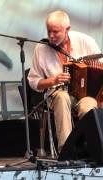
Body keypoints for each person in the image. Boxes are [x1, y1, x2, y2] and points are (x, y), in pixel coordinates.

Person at [28, 10, 99, 152]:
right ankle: (66, 150)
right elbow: (34, 82)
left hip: (84, 95)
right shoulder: (41, 48)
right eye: (49, 32)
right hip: (56, 94)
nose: (51, 36)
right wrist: (53, 80)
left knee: (89, 107)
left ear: (67, 29)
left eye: (56, 32)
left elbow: (100, 65)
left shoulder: (85, 41)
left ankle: (90, 149)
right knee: (62, 97)